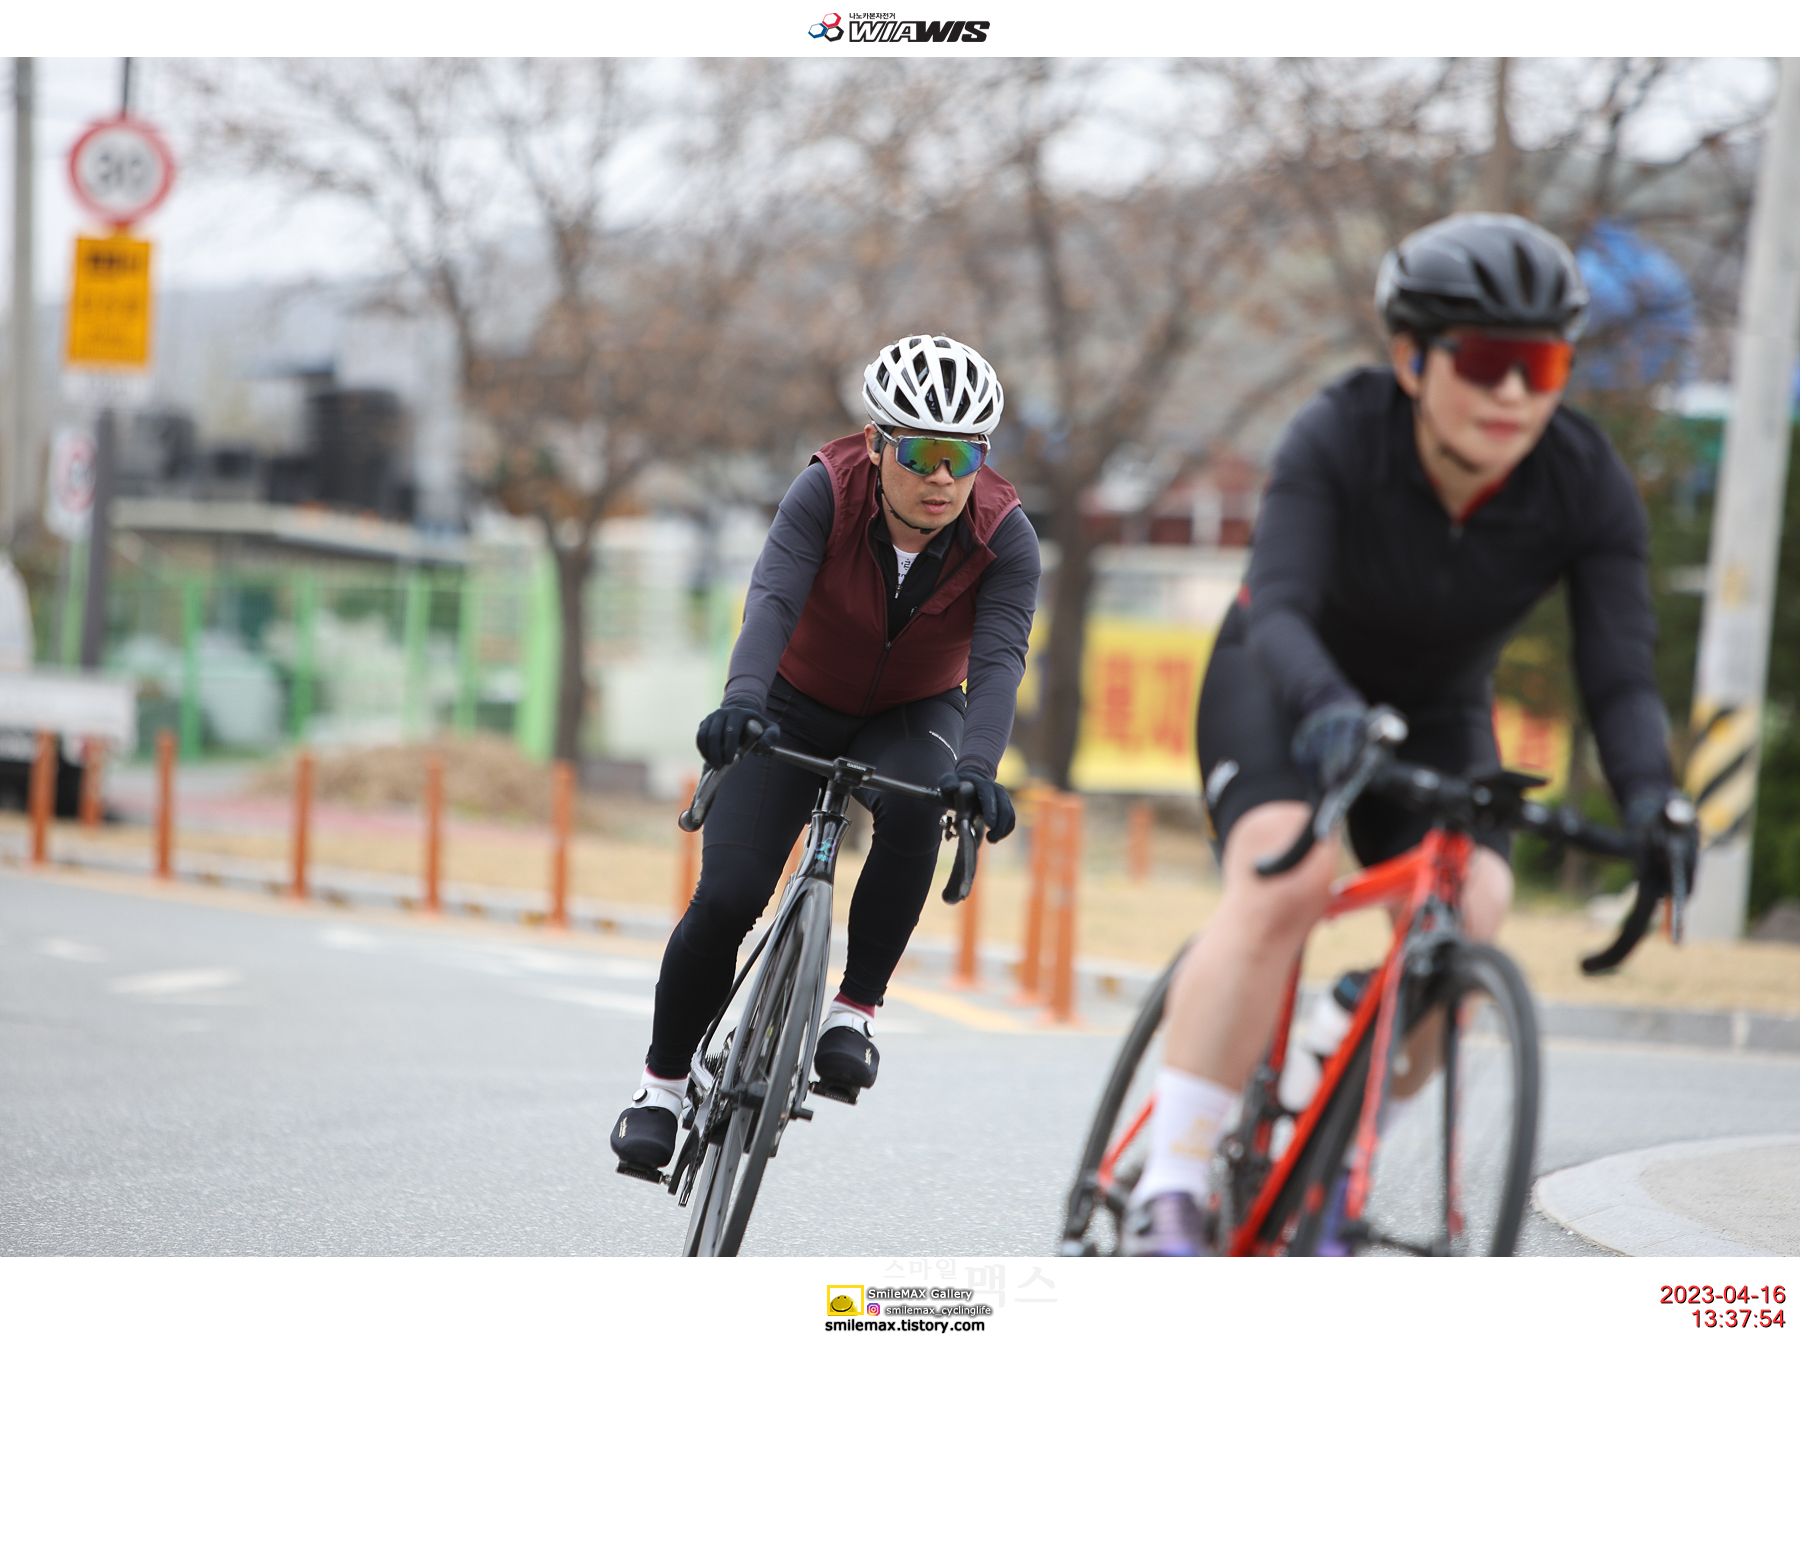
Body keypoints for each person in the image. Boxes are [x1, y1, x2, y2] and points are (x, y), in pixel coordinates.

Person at [1127, 212, 1699, 1255]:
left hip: (1437, 710)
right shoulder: (1339, 433)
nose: (1514, 393)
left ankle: (1333, 1147)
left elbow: (1618, 671)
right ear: (1412, 359)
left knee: (1474, 907)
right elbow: (1281, 607)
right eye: (1484, 362)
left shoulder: (1584, 481)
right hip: (1286, 680)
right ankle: (1168, 1187)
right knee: (1285, 878)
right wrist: (1329, 713)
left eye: (1542, 365)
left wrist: (1653, 796)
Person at [611, 335, 1041, 1174]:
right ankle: (660, 1088)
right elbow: (772, 598)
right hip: (790, 705)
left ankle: (854, 1009)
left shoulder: (1006, 537)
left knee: (921, 801)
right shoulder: (825, 491)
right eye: (922, 453)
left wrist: (979, 769)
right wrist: (742, 703)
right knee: (729, 895)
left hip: (913, 712)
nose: (943, 477)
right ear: (877, 444)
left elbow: (999, 661)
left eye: (964, 457)